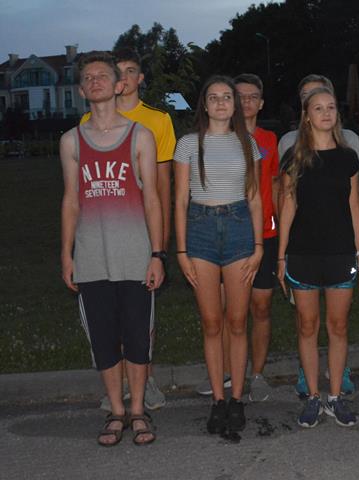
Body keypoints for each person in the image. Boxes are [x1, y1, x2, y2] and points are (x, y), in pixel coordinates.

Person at [60, 51, 164, 446]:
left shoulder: (140, 135)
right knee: (103, 339)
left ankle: (138, 410)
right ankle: (116, 412)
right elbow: (71, 200)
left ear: (119, 84)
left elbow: (152, 198)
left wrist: (157, 254)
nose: (95, 81)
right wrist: (66, 253)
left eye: (103, 75)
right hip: (91, 256)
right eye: (88, 77)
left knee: (137, 336)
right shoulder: (71, 140)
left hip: (135, 254)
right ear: (81, 89)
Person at [81, 47, 176, 411]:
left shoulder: (156, 121)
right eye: (117, 71)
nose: (122, 77)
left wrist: (160, 242)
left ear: (138, 78)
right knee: (108, 318)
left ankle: (144, 380)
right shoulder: (88, 122)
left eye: (130, 70)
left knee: (140, 320)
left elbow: (161, 186)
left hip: (141, 230)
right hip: (102, 235)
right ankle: (116, 387)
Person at [174, 75, 263, 434]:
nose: (222, 102)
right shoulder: (188, 144)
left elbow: (254, 197)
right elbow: (180, 200)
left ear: (235, 104)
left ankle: (237, 399)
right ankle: (217, 400)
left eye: (227, 97)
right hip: (201, 230)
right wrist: (181, 251)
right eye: (214, 97)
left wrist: (259, 246)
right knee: (212, 322)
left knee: (238, 322)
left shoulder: (247, 143)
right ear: (205, 105)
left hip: (240, 228)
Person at [278, 86, 359, 428]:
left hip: (341, 252)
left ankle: (335, 396)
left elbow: (355, 206)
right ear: (307, 116)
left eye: (331, 107)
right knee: (307, 325)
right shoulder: (295, 157)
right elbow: (287, 207)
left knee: (339, 326)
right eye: (318, 108)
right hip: (303, 253)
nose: (326, 113)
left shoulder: (348, 158)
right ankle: (313, 397)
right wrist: (281, 256)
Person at [194, 73, 279, 402]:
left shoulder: (267, 140)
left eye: (252, 96)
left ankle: (257, 374)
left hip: (264, 232)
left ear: (261, 102)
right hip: (226, 234)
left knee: (260, 306)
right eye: (239, 96)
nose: (246, 102)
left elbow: (275, 186)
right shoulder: (212, 140)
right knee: (226, 310)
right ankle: (227, 373)